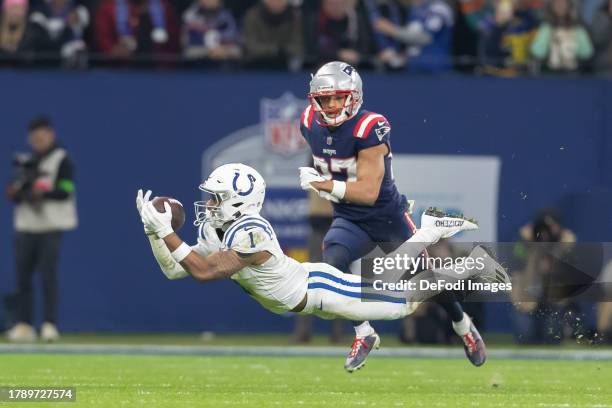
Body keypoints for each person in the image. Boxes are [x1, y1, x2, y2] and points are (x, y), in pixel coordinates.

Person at [137, 164, 502, 370]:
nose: (209, 202)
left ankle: (457, 252)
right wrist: (155, 233)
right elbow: (175, 269)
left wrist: (165, 229)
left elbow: (203, 271)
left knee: (404, 301)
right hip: (310, 296)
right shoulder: (217, 228)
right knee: (390, 287)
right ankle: (369, 331)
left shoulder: (252, 231)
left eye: (217, 196)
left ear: (239, 201)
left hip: (321, 291)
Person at [297, 61, 486, 371]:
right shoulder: (308, 121)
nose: (330, 106)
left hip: (387, 218)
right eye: (324, 99)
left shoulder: (369, 127)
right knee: (331, 269)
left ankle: (463, 325)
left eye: (337, 97)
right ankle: (364, 333)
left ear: (354, 96)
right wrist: (326, 181)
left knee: (428, 281)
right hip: (349, 219)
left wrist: (324, 183)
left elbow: (369, 192)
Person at [4, 116, 78, 342]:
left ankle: (49, 324)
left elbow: (66, 189)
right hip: (26, 226)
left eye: (42, 136)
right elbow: (14, 191)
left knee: (48, 276)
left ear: (51, 135)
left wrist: (43, 193)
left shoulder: (61, 159)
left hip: (50, 225)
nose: (39, 140)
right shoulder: (25, 161)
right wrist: (18, 192)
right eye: (35, 137)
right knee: (23, 277)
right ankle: (24, 325)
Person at [530, 0, 594, 73]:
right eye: (557, 3)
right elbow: (538, 53)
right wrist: (547, 32)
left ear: (569, 5)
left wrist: (576, 35)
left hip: (574, 74)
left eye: (563, 3)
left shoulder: (578, 27)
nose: (560, 6)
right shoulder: (546, 26)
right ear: (552, 6)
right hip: (549, 73)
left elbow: (587, 53)